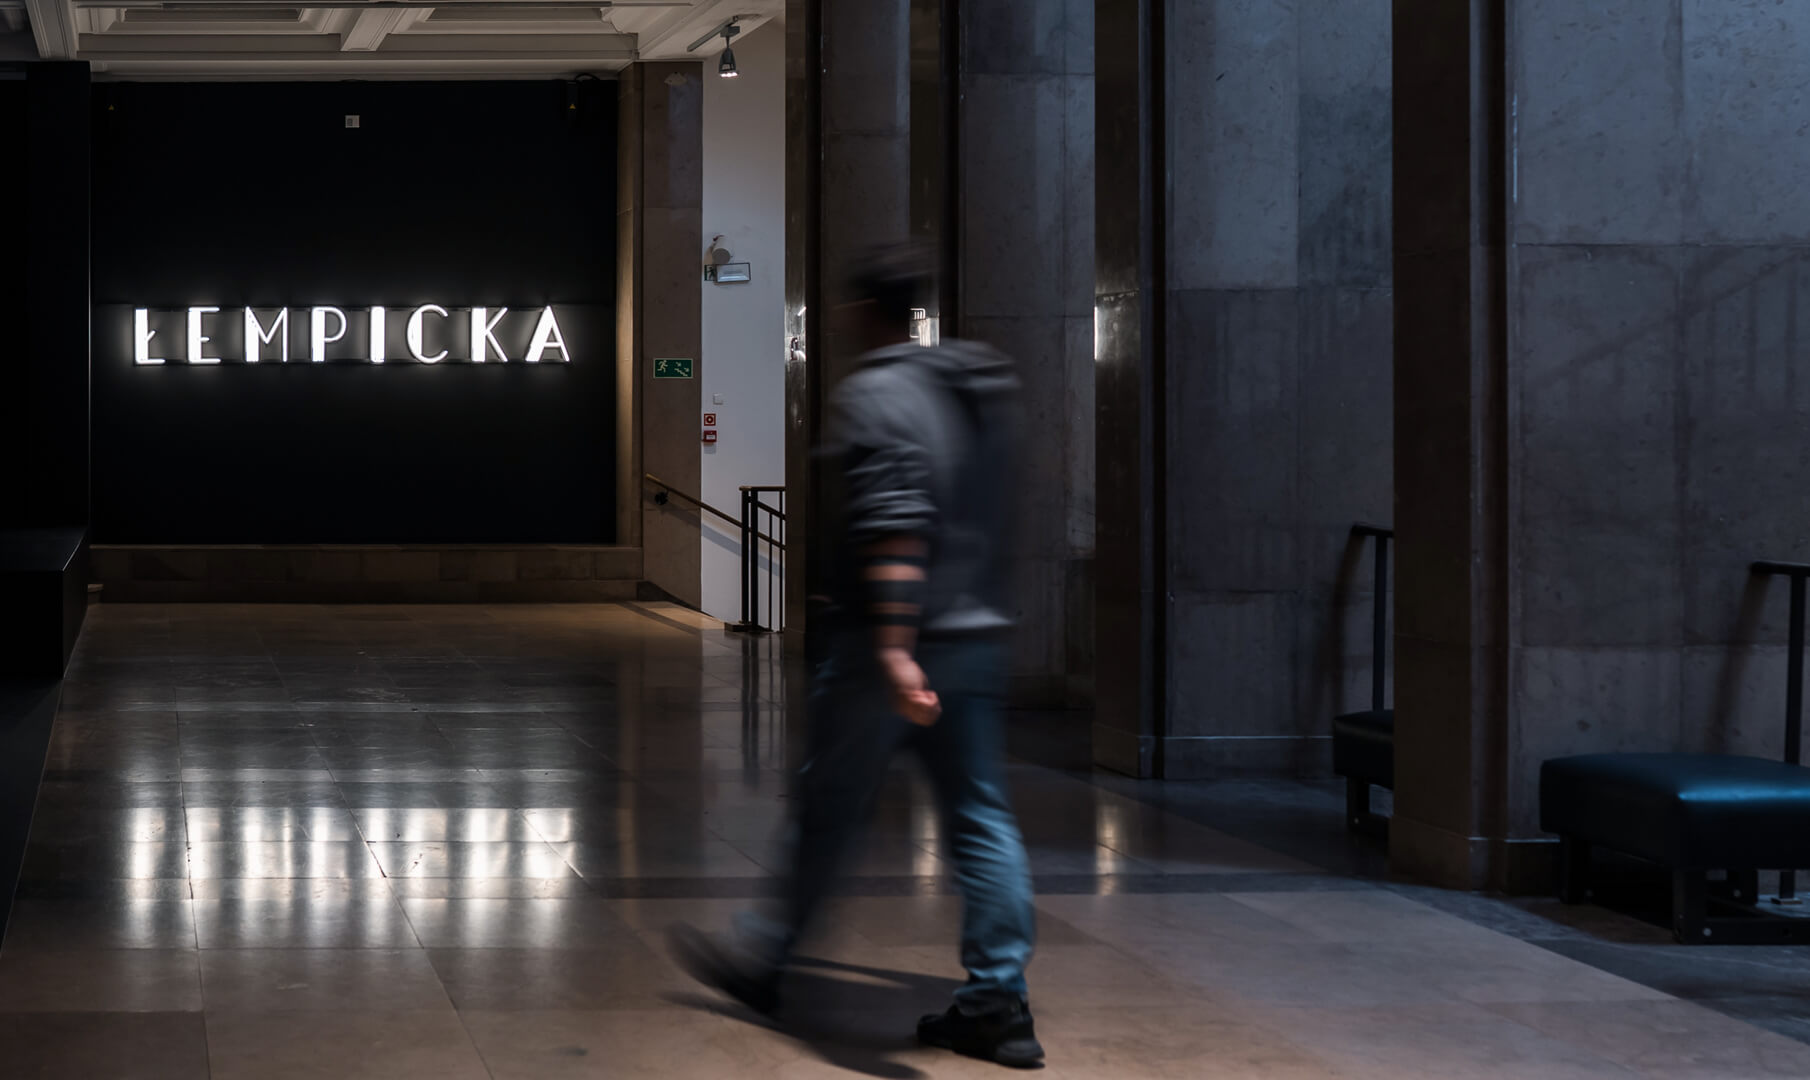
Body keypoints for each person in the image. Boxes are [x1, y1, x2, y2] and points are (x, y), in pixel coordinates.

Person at [668, 242, 1041, 1068]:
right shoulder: (980, 387)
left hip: (888, 647)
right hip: (977, 636)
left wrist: (898, 646)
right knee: (981, 816)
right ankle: (998, 1000)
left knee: (830, 810)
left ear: (863, 313)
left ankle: (768, 961)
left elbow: (896, 517)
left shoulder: (877, 393)